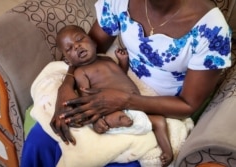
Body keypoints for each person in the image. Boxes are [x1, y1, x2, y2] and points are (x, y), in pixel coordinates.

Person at [21, 0, 231, 167]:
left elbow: (188, 105)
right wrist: (66, 86)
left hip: (162, 102)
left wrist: (125, 100)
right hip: (112, 80)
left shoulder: (211, 29)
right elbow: (89, 50)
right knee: (39, 141)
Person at [56, 25, 173, 166]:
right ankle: (118, 121)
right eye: (69, 49)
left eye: (80, 39)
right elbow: (86, 96)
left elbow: (120, 76)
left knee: (159, 121)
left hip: (135, 103)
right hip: (110, 107)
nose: (76, 46)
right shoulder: (81, 72)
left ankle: (167, 153)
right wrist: (95, 120)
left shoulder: (107, 60)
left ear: (93, 42)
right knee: (112, 118)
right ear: (68, 61)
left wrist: (123, 62)